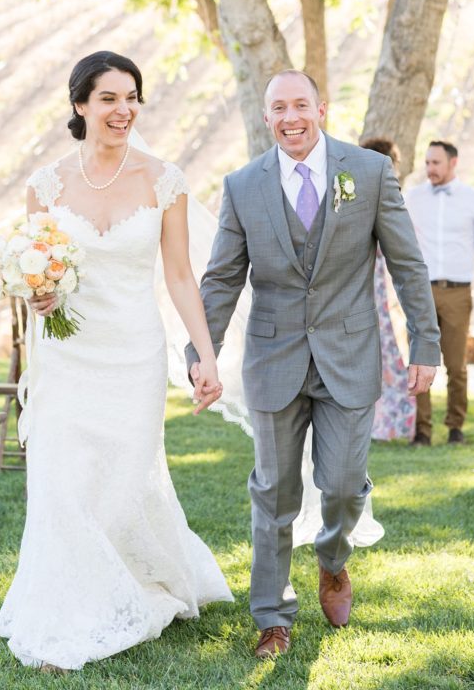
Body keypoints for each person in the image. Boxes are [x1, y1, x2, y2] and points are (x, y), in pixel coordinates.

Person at [0, 51, 232, 672]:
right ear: (80, 105)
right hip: (69, 354)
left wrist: (204, 354)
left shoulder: (164, 180)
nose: (123, 109)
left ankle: (136, 578)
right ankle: (74, 608)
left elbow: (180, 277)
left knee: (122, 483)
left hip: (135, 355)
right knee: (63, 482)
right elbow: (37, 276)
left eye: (131, 97)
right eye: (108, 98)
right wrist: (39, 293)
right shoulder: (45, 185)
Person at [187, 70, 439, 655]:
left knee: (345, 486)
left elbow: (407, 263)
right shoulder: (244, 185)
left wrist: (424, 342)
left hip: (349, 355)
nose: (290, 117)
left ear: (321, 109)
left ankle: (332, 558)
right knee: (272, 491)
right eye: (278, 107)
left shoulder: (369, 173)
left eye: (301, 104)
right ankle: (273, 616)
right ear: (266, 115)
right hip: (273, 358)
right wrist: (204, 353)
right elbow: (222, 277)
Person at [405, 140, 474, 446]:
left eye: (436, 163)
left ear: (453, 163)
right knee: (419, 361)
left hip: (458, 292)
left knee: (456, 365)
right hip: (421, 292)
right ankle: (422, 430)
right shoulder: (413, 198)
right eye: (427, 163)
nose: (430, 169)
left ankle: (456, 426)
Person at [359, 138, 416, 441]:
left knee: (384, 347)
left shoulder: (391, 198)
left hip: (380, 286)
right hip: (358, 282)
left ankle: (387, 422)